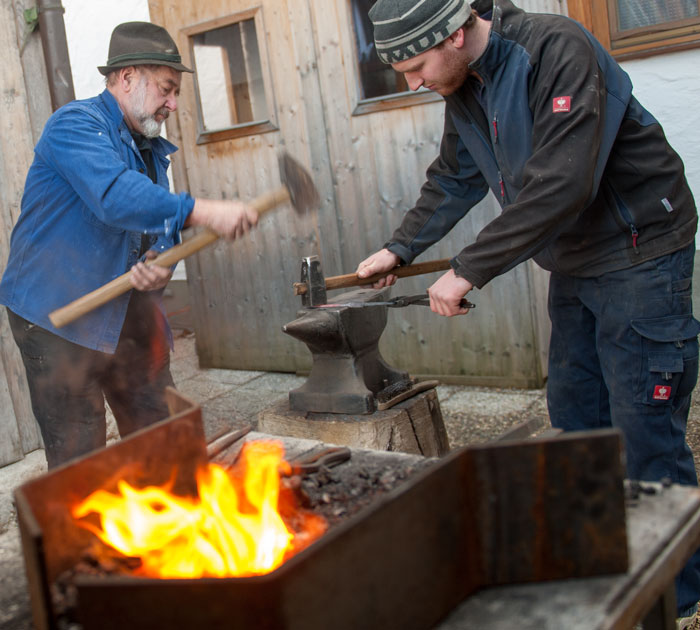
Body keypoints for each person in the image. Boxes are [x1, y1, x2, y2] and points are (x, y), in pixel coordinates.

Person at [357, 0, 700, 626]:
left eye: (416, 66)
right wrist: (398, 247)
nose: (412, 82)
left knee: (645, 429)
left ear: (456, 33)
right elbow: (455, 175)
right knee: (577, 420)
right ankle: (605, 560)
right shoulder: (463, 80)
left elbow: (564, 181)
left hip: (640, 249)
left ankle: (675, 592)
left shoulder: (556, 48)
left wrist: (466, 269)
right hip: (574, 262)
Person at [0, 22, 259, 470]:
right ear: (126, 78)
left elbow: (154, 225)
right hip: (56, 313)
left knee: (158, 419)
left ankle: (173, 515)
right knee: (80, 449)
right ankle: (80, 536)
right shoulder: (74, 126)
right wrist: (203, 210)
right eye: (166, 89)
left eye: (175, 93)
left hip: (126, 306)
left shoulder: (151, 149)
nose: (173, 104)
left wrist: (158, 260)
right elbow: (115, 198)